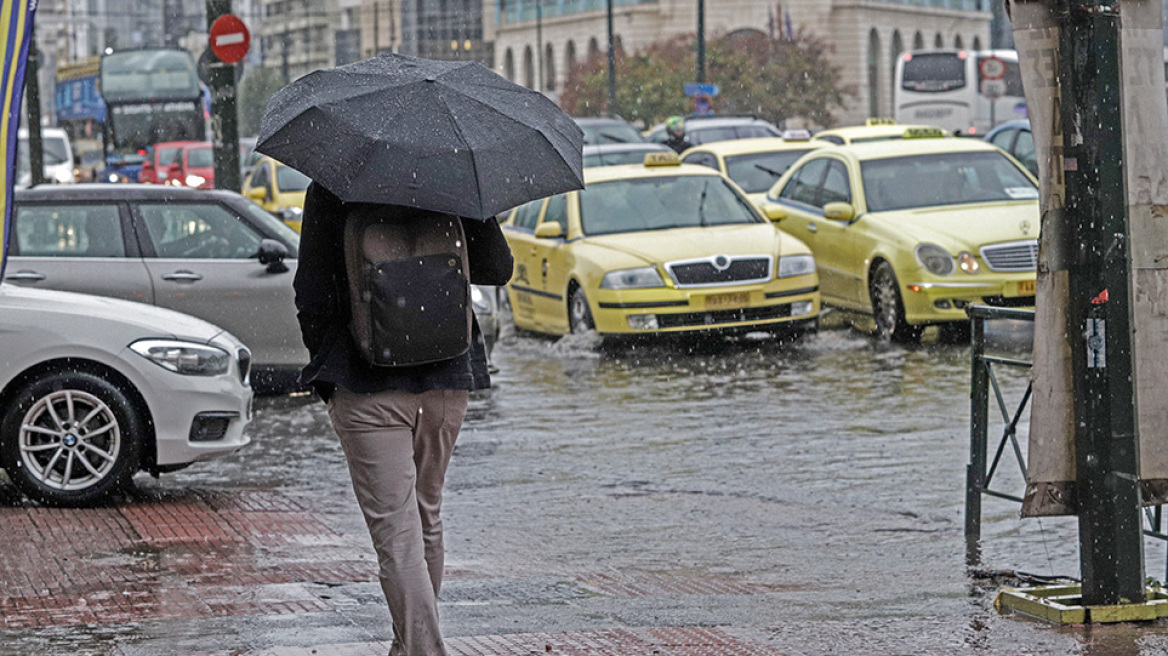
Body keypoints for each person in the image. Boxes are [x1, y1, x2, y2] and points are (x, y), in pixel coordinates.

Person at [293, 182, 514, 656]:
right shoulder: (452, 177)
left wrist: (329, 361)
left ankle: (423, 650)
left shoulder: (333, 186)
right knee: (424, 516)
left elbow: (310, 293)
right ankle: (408, 643)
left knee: (397, 531)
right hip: (446, 377)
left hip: (364, 380)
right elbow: (499, 269)